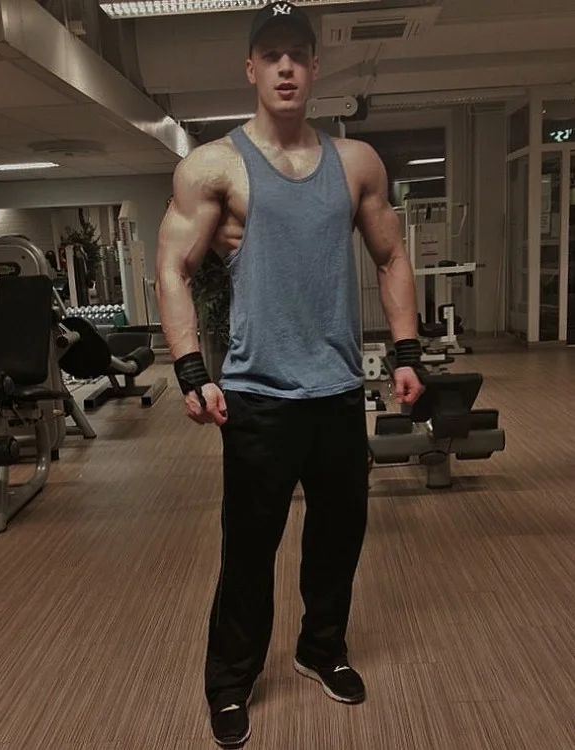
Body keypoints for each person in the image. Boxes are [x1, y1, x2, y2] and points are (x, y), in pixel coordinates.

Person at [155, 3, 425, 746]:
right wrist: (189, 368)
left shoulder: (357, 162)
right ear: (250, 68)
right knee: (248, 551)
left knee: (339, 539)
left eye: (297, 55)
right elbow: (172, 266)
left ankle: (321, 649)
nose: (284, 67)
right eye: (271, 54)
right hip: (257, 399)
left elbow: (392, 256)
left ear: (315, 67)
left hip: (337, 393)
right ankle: (230, 682)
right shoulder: (214, 166)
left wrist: (406, 351)